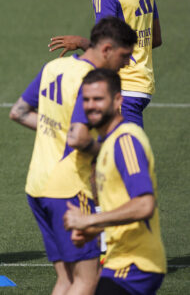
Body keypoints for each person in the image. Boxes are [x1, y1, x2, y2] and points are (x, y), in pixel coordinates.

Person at [9, 17, 136, 294]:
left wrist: (57, 128)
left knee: (67, 279)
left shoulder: (53, 67)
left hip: (37, 185)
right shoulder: (93, 82)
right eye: (124, 56)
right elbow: (79, 138)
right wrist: (105, 149)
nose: (126, 64)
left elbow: (18, 112)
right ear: (106, 50)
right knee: (87, 280)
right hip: (68, 190)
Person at [49, 0, 162, 128]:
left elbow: (104, 49)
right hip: (142, 85)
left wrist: (80, 42)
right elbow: (155, 39)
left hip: (122, 89)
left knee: (128, 157)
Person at [64, 68, 166, 295]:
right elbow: (122, 206)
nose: (91, 105)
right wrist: (93, 229)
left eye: (98, 99)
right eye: (86, 99)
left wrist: (90, 219)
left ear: (118, 99)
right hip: (117, 262)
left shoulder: (125, 140)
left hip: (136, 265)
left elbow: (144, 205)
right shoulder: (107, 142)